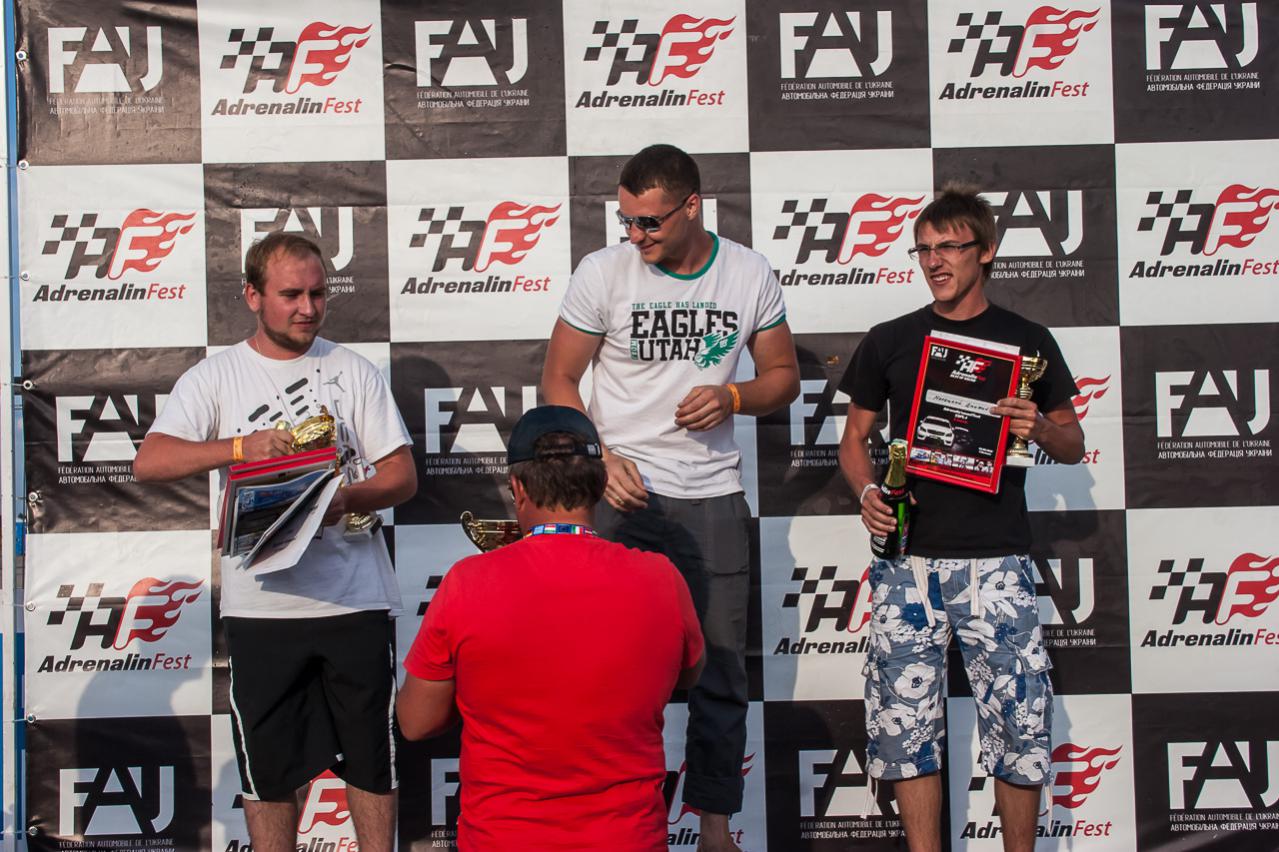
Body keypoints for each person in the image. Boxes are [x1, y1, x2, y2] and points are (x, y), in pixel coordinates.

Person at [541, 143, 799, 851]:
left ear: (692, 207)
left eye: (649, 222)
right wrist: (599, 457)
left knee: (721, 672)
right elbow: (558, 379)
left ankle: (714, 829)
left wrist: (734, 396)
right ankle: (598, 825)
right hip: (617, 496)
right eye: (625, 220)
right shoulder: (602, 271)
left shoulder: (748, 271)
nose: (635, 235)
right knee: (599, 669)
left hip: (711, 494)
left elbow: (783, 376)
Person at [134, 232, 415, 852]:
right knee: (267, 771)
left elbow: (402, 476)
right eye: (291, 295)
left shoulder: (353, 370)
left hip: (353, 598)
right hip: (262, 605)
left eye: (317, 294)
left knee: (372, 761)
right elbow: (150, 461)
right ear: (252, 296)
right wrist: (241, 447)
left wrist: (344, 499)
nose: (308, 309)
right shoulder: (218, 375)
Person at [837, 188, 1085, 852]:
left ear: (986, 251)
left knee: (1019, 728)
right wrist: (867, 492)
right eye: (923, 249)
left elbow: (1072, 442)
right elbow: (853, 438)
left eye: (948, 246)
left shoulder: (1027, 341)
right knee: (904, 728)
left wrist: (1038, 427)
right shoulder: (890, 339)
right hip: (905, 561)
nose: (933, 261)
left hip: (996, 560)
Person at [397, 405, 705, 850]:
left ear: (517, 487)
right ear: (600, 483)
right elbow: (689, 674)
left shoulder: (468, 581)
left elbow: (415, 722)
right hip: (626, 838)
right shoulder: (662, 578)